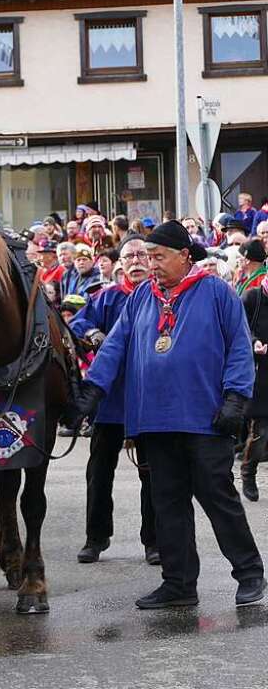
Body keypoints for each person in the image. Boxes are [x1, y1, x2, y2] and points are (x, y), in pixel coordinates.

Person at [76, 220, 265, 609]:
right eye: (148, 256)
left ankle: (249, 575)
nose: (152, 264)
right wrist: (92, 390)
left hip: (205, 417)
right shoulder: (143, 296)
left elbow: (240, 348)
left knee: (218, 499)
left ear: (184, 256)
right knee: (168, 504)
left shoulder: (215, 292)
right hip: (155, 421)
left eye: (159, 257)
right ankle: (179, 584)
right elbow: (114, 346)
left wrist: (235, 399)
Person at [71, 235, 158, 566]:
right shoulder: (105, 297)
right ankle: (96, 537)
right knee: (99, 471)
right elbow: (79, 321)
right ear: (120, 263)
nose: (136, 260)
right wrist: (92, 334)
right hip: (111, 400)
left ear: (151, 260)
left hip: (149, 399)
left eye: (142, 254)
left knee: (152, 473)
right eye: (129, 256)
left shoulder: (161, 297)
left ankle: (154, 540)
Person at [242, 275, 268, 501]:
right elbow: (239, 327)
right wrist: (254, 343)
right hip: (259, 373)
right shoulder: (253, 297)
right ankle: (248, 473)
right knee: (261, 432)